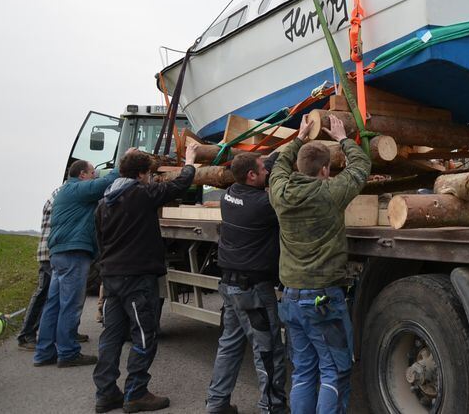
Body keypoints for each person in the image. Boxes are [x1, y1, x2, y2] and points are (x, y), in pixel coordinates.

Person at [270, 115, 371, 414]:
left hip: (291, 296)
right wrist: (342, 137)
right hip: (323, 298)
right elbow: (361, 168)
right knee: (334, 372)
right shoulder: (330, 193)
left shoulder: (280, 193)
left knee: (303, 372)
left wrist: (299, 138)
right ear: (326, 170)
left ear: (299, 168)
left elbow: (276, 166)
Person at [92, 146, 197, 413]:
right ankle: (136, 393)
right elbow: (178, 186)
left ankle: (105, 393)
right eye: (149, 174)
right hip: (136, 279)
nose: (151, 178)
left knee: (112, 335)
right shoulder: (139, 194)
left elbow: (100, 242)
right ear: (141, 174)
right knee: (144, 334)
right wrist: (190, 162)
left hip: (112, 276)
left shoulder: (104, 203)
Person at [205, 152, 287, 414]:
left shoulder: (229, 195)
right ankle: (271, 407)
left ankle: (217, 403)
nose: (267, 172)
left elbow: (262, 169)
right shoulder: (263, 205)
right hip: (253, 291)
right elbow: (282, 196)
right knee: (268, 351)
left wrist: (284, 151)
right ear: (251, 175)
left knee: (229, 344)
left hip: (231, 286)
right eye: (263, 170)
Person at [33, 158, 123, 368]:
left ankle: (44, 352)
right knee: (71, 305)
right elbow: (105, 183)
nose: (94, 176)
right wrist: (124, 162)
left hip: (60, 254)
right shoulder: (77, 189)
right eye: (92, 172)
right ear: (82, 174)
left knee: (53, 304)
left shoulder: (67, 191)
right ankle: (68, 352)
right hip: (74, 253)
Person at [17, 184, 89, 350]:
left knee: (63, 295)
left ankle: (67, 332)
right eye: (91, 173)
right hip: (51, 251)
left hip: (55, 250)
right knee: (45, 293)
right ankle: (26, 334)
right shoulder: (67, 193)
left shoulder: (66, 192)